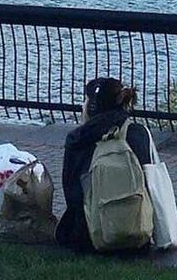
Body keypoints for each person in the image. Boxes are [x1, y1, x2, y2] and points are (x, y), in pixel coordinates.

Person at [56, 76, 153, 253]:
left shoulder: (78, 140)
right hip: (137, 234)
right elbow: (150, 185)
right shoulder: (138, 133)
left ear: (92, 107)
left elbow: (72, 193)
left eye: (85, 101)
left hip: (88, 237)